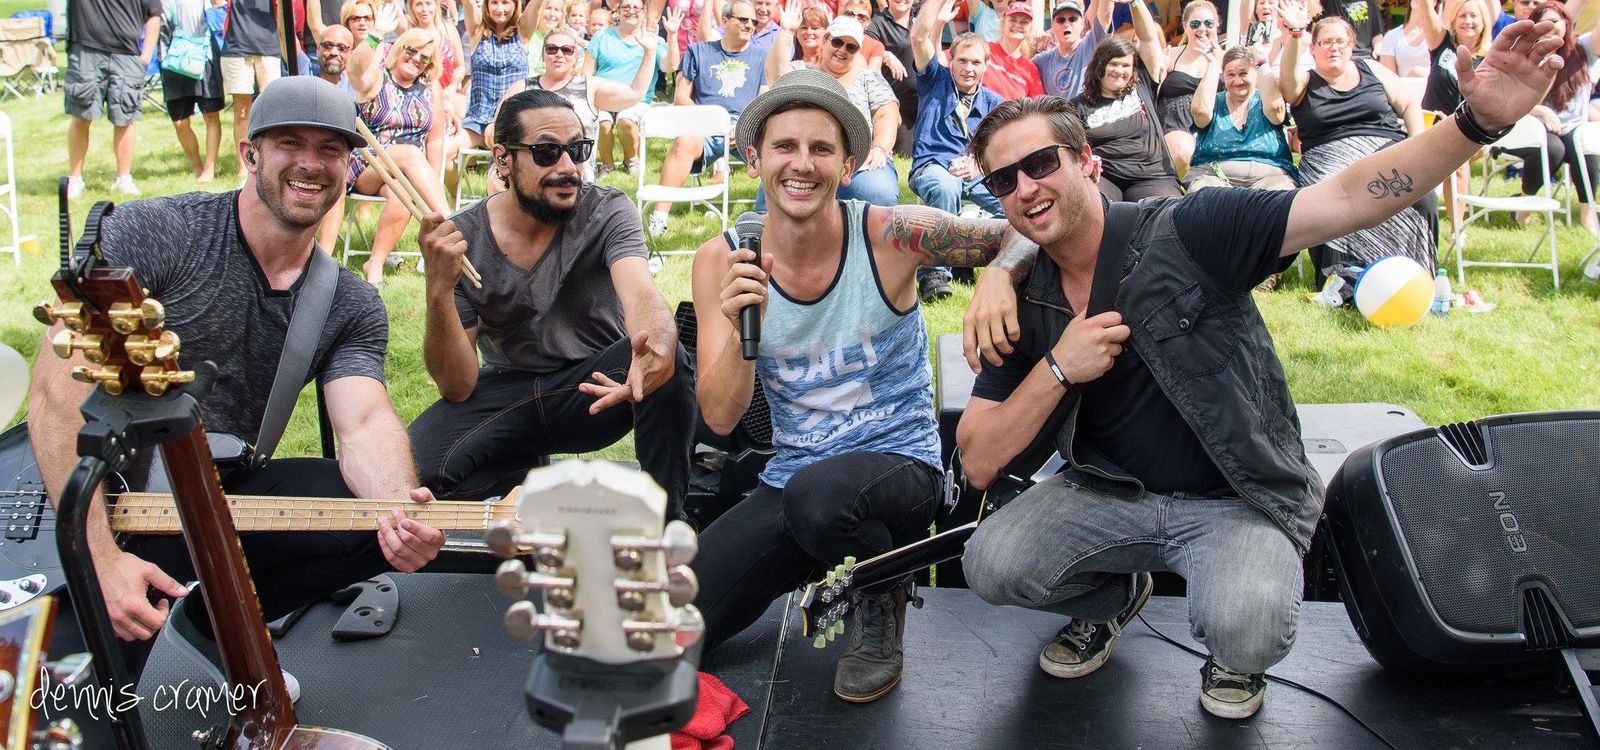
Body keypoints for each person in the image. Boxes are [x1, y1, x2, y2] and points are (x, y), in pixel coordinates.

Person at [956, 16, 1563, 720]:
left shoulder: (1188, 230)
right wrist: (1058, 367)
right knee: (992, 564)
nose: (1026, 187)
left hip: (1234, 499)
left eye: (1041, 164)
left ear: (1086, 160)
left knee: (1247, 628)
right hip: (1108, 496)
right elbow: (978, 461)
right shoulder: (1022, 297)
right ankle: (1111, 598)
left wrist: (1476, 124)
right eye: (1004, 178)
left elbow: (1345, 198)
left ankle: (1234, 652)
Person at [28, 75, 445, 658]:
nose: (311, 164)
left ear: (349, 167)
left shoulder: (348, 303)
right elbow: (57, 392)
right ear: (250, 154)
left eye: (330, 149)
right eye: (289, 143)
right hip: (93, 491)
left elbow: (364, 421)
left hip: (211, 488)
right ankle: (166, 616)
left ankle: (206, 627)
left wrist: (396, 506)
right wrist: (96, 556)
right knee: (64, 692)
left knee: (366, 524)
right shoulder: (159, 233)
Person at [687, 68, 1034, 704]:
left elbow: (1021, 230)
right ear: (754, 159)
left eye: (820, 148)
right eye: (784, 146)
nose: (802, 163)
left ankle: (883, 590)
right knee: (674, 628)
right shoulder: (722, 259)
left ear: (847, 166)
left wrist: (997, 275)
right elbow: (719, 415)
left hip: (899, 465)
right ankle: (826, 559)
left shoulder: (890, 233)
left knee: (820, 501)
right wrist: (742, 332)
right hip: (793, 478)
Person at [410, 88, 696, 519]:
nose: (567, 167)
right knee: (415, 477)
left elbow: (640, 292)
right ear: (503, 159)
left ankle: (667, 522)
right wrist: (438, 290)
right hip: (507, 390)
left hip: (596, 385)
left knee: (666, 356)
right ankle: (527, 479)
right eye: (546, 152)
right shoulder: (461, 239)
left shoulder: (606, 210)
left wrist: (658, 342)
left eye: (577, 150)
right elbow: (458, 386)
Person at [1279, 5, 1437, 276]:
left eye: (1340, 41)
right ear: (1313, 48)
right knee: (1327, 200)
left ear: (1351, 45)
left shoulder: (1372, 69)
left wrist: (1418, 148)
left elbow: (1409, 103)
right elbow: (1287, 82)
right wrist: (1295, 34)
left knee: (1419, 194)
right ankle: (1343, 279)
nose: (1334, 47)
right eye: (1326, 42)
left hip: (1385, 149)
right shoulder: (1304, 82)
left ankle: (1413, 275)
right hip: (1328, 160)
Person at [647, 0, 769, 237]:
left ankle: (766, 218)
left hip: (745, 129)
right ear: (724, 21)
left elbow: (763, 102)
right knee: (683, 143)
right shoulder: (698, 51)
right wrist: (711, 123)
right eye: (743, 19)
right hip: (704, 126)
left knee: (773, 153)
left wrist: (744, 127)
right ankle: (659, 219)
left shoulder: (762, 57)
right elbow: (681, 97)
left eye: (753, 21)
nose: (750, 25)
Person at [760, 14, 902, 207]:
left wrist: (880, 148)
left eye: (851, 47)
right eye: (837, 42)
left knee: (878, 192)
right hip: (802, 156)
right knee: (772, 198)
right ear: (825, 40)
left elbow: (888, 114)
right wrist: (786, 31)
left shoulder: (868, 78)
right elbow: (775, 77)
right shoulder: (801, 71)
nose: (842, 50)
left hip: (859, 160)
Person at [347, 27, 451, 284]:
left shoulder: (430, 89)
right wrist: (374, 37)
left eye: (424, 57)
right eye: (411, 50)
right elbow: (354, 71)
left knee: (402, 195)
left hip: (405, 175)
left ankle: (375, 264)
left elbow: (435, 140)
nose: (416, 59)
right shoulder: (377, 78)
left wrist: (432, 181)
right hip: (368, 166)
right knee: (410, 153)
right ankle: (452, 224)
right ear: (399, 49)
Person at [493, 29, 653, 182]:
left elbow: (634, 93)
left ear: (576, 56)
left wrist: (649, 53)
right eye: (552, 49)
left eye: (567, 50)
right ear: (543, 54)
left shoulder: (589, 87)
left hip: (578, 180)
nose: (559, 54)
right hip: (531, 179)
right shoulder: (522, 87)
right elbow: (497, 132)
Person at [1504, 1, 1598, 235]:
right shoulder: (1525, 55)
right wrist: (1542, 111)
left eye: (1555, 21)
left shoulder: (1583, 48)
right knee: (1553, 148)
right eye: (1543, 23)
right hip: (1533, 125)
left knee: (1583, 147)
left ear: (1566, 23)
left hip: (1573, 127)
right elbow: (1513, 101)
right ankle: (1524, 202)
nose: (1551, 27)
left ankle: (1587, 213)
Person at [64, 0, 160, 199]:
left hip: (127, 54)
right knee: (80, 116)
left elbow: (154, 14)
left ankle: (123, 178)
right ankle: (75, 178)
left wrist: (145, 57)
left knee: (125, 118)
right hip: (86, 49)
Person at [1072, 29, 1183, 200]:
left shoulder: (1143, 86)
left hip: (1151, 176)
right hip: (1105, 176)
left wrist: (1135, 9)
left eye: (1126, 66)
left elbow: (1148, 36)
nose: (1119, 70)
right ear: (1100, 65)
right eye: (1114, 64)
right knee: (1093, 202)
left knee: (1164, 207)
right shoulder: (1078, 106)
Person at [587, 0, 678, 174]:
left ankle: (631, 160)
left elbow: (670, 67)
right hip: (604, 98)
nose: (631, 11)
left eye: (636, 7)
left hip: (636, 100)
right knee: (602, 123)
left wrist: (672, 35)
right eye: (626, 7)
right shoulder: (602, 36)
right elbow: (587, 72)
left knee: (625, 121)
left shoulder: (652, 39)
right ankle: (607, 165)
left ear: (643, 12)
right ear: (618, 11)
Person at [1188, 46, 1296, 189]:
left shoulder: (1266, 99)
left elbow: (1276, 111)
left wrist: (1263, 64)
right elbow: (1200, 112)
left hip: (1270, 178)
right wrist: (1213, 65)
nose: (1238, 81)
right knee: (1204, 191)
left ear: (1255, 74)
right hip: (1216, 176)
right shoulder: (1213, 102)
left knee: (1279, 191)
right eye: (1231, 75)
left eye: (1243, 73)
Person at [459, 0, 537, 151]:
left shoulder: (523, 30)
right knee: (448, 147)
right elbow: (468, 4)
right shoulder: (477, 30)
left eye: (505, 2)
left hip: (511, 120)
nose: (500, 9)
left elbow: (537, 4)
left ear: (515, 5)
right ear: (487, 5)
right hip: (477, 121)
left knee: (499, 144)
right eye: (494, 2)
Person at [162, 0, 225, 183]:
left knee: (211, 115)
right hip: (175, 60)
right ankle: (196, 165)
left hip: (205, 57)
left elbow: (219, 12)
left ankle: (209, 168)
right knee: (180, 121)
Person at [1158, 0, 1222, 176]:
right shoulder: (1171, 55)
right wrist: (1161, 71)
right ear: (1185, 26)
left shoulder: (1226, 60)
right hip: (1173, 126)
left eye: (1208, 23)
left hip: (1212, 130)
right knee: (1181, 150)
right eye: (1195, 24)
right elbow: (1153, 94)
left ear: (1217, 25)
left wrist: (1214, 61)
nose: (1202, 28)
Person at [221, 0, 285, 177]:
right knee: (241, 111)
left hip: (269, 46)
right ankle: (243, 166)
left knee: (272, 108)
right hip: (237, 45)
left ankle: (272, 159)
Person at [867, 0, 918, 152]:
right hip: (898, 107)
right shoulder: (878, 23)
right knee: (904, 152)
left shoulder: (919, 20)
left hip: (922, 104)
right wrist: (885, 54)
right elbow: (864, 46)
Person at [1035, 0, 1112, 98]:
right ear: (1053, 25)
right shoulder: (1042, 61)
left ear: (1082, 23)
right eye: (1061, 20)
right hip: (1056, 108)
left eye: (1072, 19)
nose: (1067, 24)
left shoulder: (1092, 45)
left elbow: (1105, 15)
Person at [984, 1, 1046, 100]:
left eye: (1024, 22)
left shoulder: (1030, 69)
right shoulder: (985, 50)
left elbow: (1038, 104)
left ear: (1030, 29)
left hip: (1011, 111)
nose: (1018, 25)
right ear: (1002, 23)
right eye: (1013, 20)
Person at [1378, 0, 1438, 77]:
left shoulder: (1439, 35)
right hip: (1403, 84)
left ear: (1434, 2)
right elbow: (1387, 77)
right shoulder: (1391, 36)